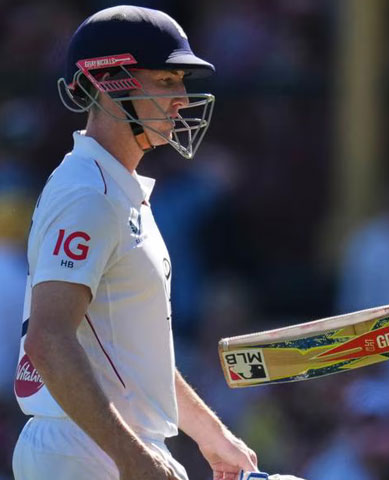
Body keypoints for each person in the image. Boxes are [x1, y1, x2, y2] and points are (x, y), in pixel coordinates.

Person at [11, 6, 265, 480]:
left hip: (105, 443)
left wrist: (214, 437)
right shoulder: (88, 192)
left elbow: (137, 361)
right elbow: (48, 339)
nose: (182, 100)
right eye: (166, 81)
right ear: (110, 84)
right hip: (85, 448)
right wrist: (131, 457)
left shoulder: (117, 190)